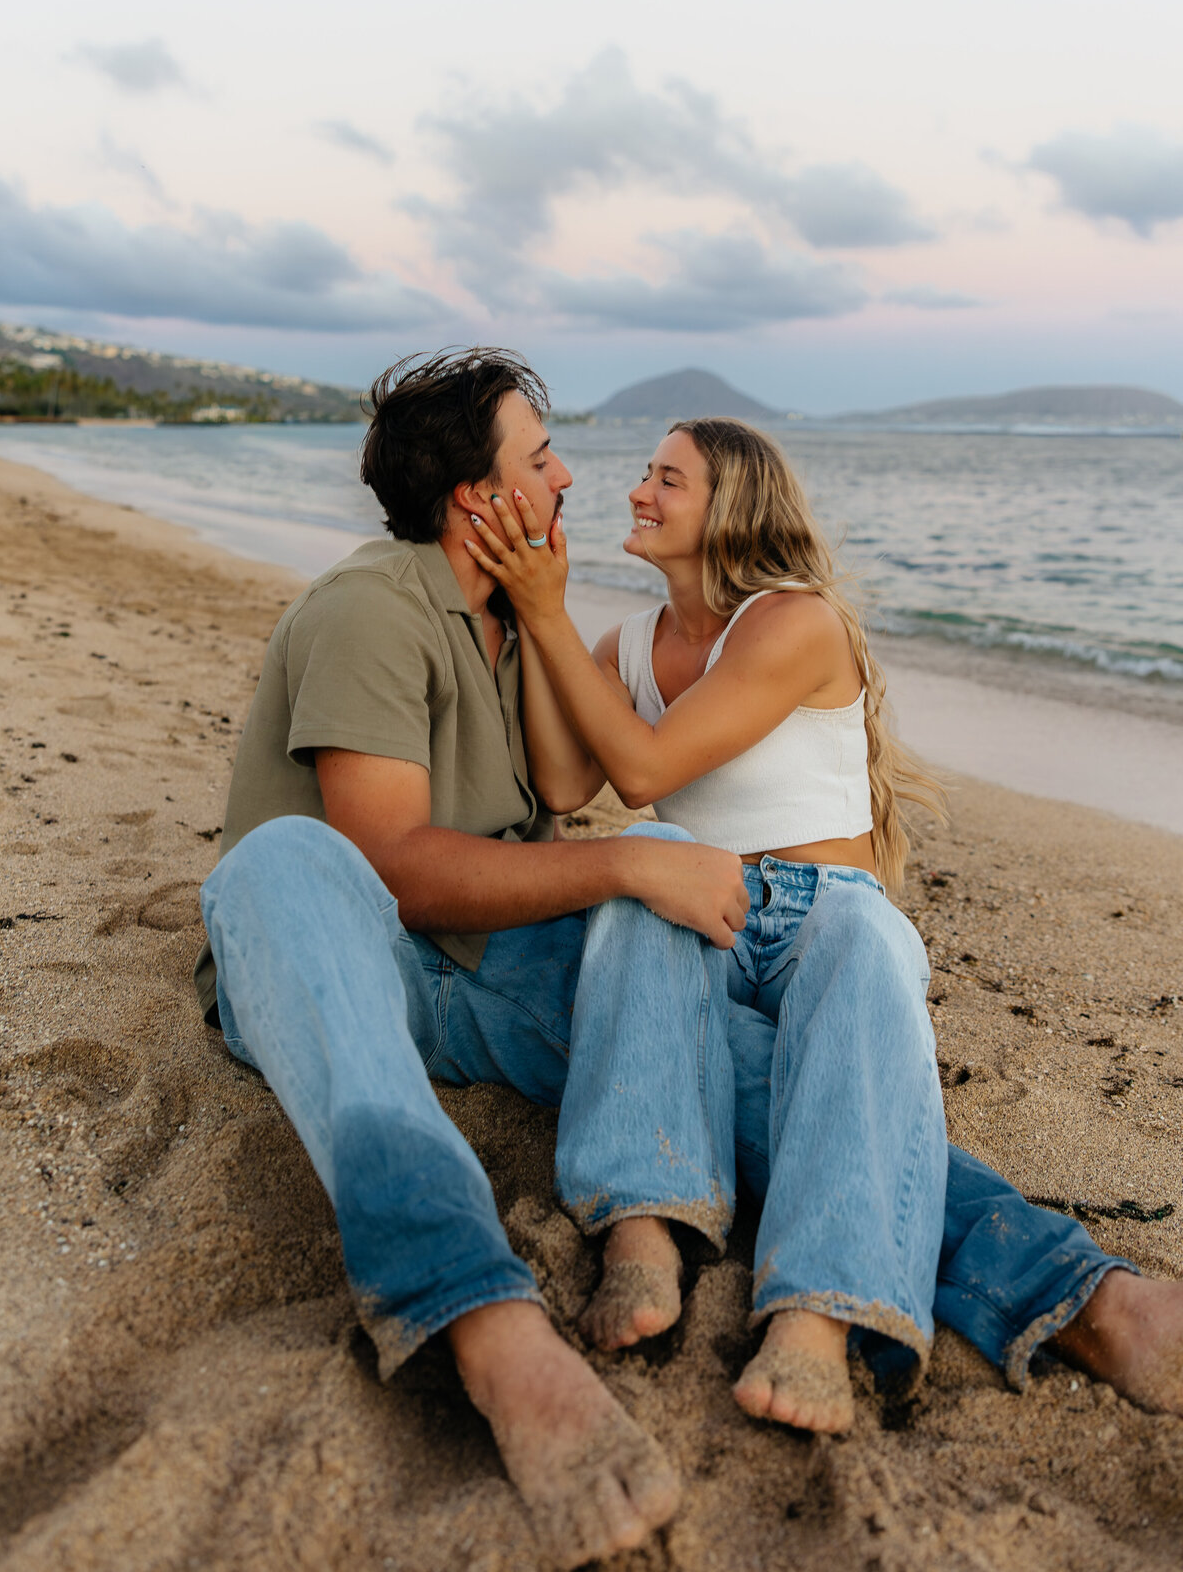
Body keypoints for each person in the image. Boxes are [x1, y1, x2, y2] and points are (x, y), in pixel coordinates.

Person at [463, 410, 1183, 1429]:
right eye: (645, 473)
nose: (638, 491)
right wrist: (549, 623)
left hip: (821, 909)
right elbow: (569, 778)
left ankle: (818, 1314)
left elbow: (644, 768)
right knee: (648, 862)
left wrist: (543, 615)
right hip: (700, 905)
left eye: (668, 479)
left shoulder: (794, 620)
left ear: (732, 509)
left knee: (864, 939)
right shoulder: (628, 645)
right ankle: (642, 1225)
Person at [196, 351, 754, 1570]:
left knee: (748, 1060)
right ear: (476, 499)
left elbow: (563, 796)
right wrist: (622, 864)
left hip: (480, 968)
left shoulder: (512, 625)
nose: (568, 477)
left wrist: (625, 856)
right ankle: (484, 1316)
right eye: (540, 456)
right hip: (346, 969)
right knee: (280, 861)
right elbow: (390, 865)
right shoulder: (371, 608)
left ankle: (1060, 1283)